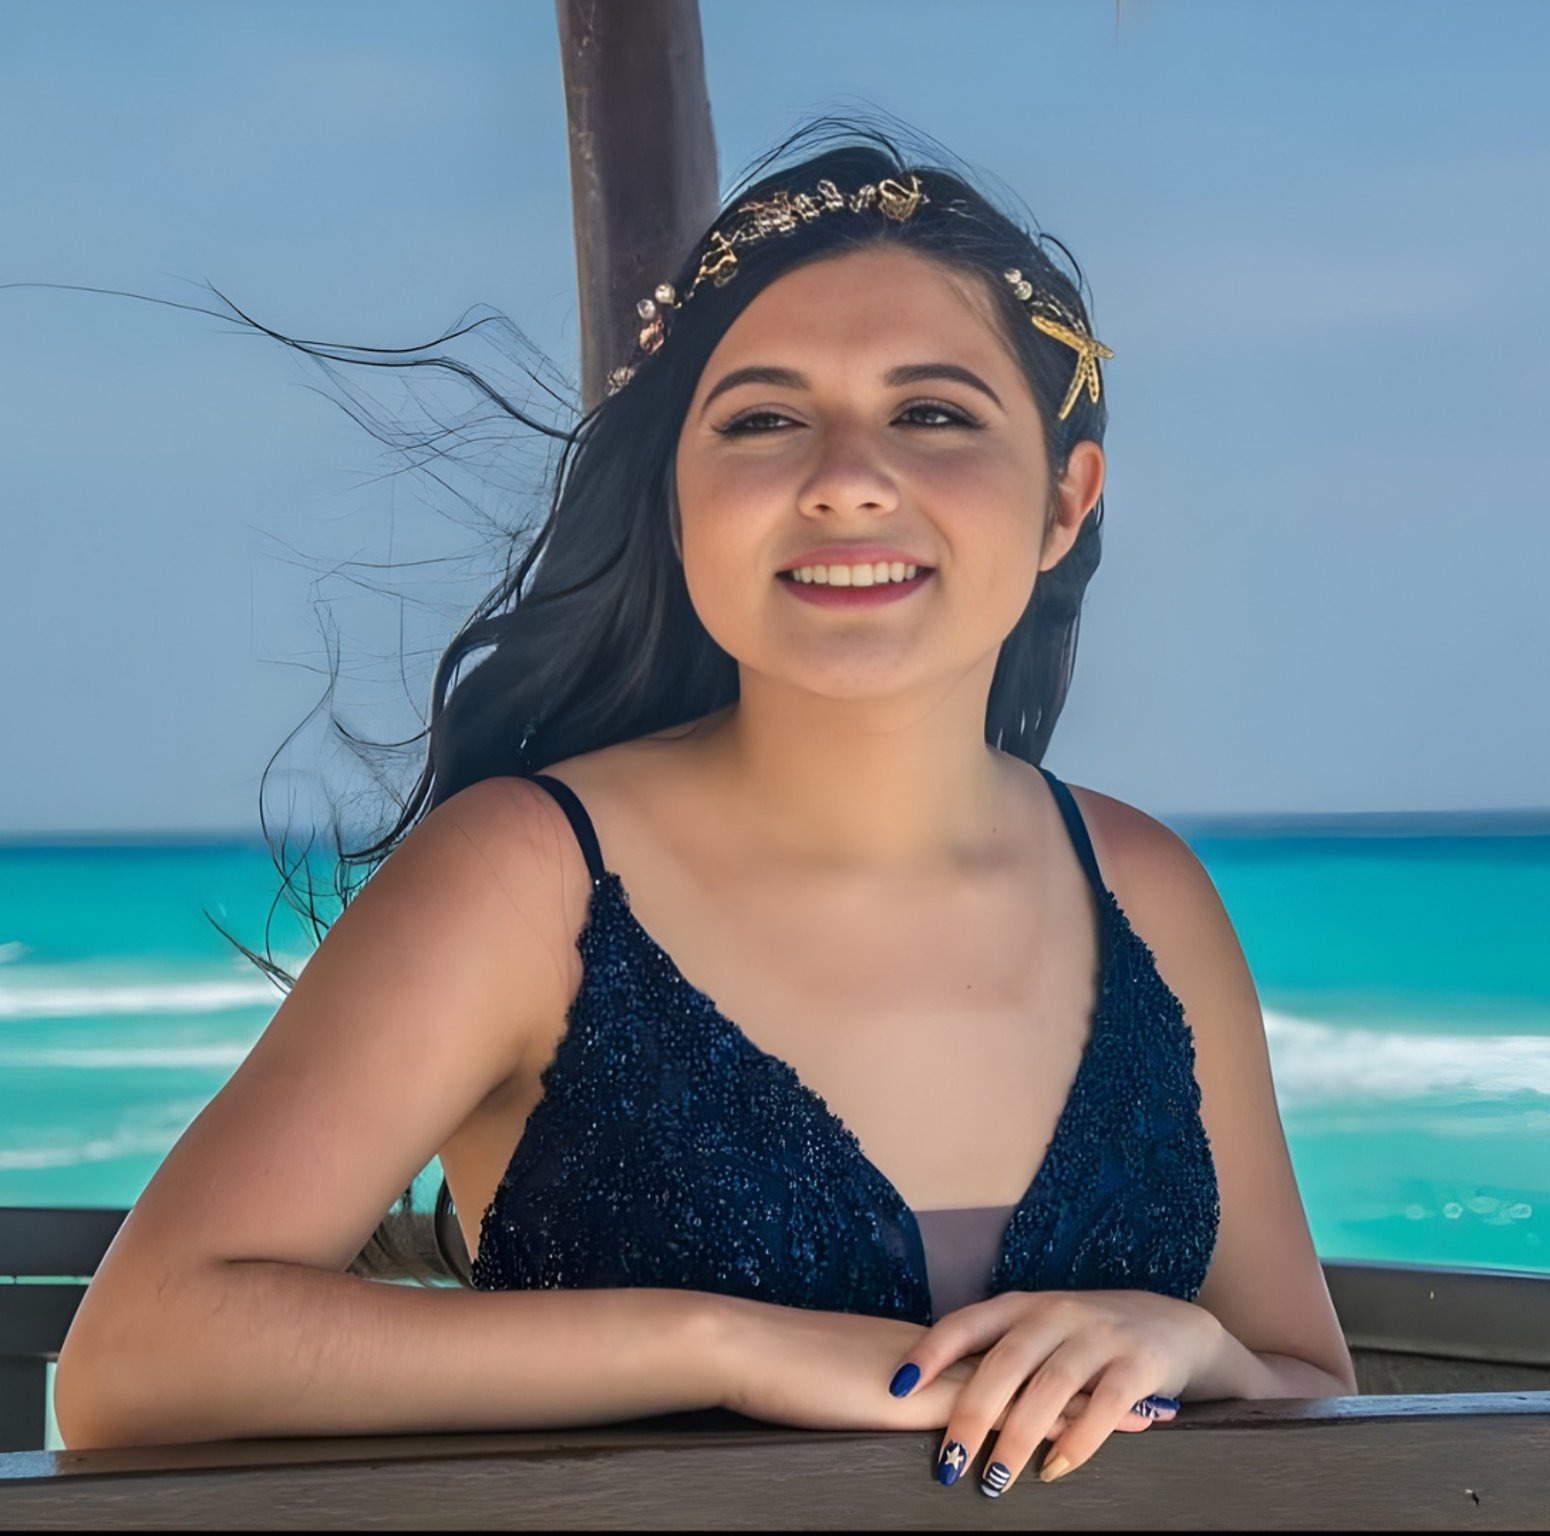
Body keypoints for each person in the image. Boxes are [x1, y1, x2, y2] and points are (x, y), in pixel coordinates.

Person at [54, 120, 1356, 1494]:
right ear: (680, 501)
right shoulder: (526, 879)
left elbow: (1312, 1389)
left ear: (1063, 502)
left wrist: (1188, 1344)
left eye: (933, 413)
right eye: (764, 419)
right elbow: (136, 1361)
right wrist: (721, 1345)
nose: (848, 474)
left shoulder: (1143, 890)